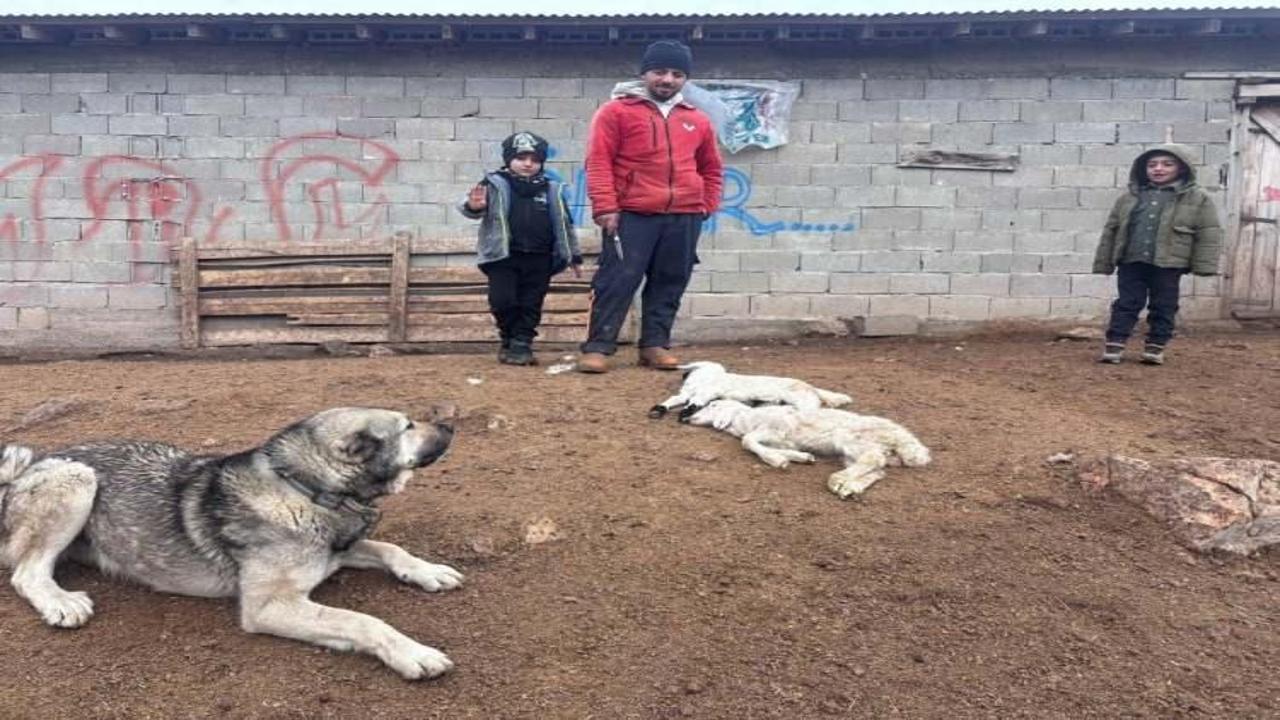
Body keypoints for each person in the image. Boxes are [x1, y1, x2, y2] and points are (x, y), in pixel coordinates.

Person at [577, 39, 725, 374]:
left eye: (677, 73)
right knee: (617, 280)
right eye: (660, 71)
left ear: (684, 79)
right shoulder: (615, 111)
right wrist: (605, 206)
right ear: (645, 73)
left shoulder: (697, 120)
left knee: (671, 280)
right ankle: (598, 347)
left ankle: (654, 345)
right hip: (632, 213)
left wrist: (707, 204)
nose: (668, 79)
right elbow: (599, 161)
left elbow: (711, 168)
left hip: (685, 214)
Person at [459, 131, 582, 366]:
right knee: (502, 301)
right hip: (502, 256)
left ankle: (521, 344)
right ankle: (508, 337)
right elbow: (471, 208)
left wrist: (572, 254)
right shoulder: (494, 183)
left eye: (534, 159)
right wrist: (474, 206)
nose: (528, 164)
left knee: (531, 303)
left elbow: (564, 223)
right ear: (509, 160)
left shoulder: (552, 188)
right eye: (521, 158)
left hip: (540, 257)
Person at [1092, 145, 1222, 366]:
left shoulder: (1198, 199)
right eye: (1152, 165)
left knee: (1164, 304)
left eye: (1167, 164)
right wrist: (1104, 261)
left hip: (1169, 263)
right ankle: (1115, 343)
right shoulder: (1129, 198)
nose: (1158, 169)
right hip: (1131, 260)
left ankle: (1155, 346)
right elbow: (1111, 230)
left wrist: (1204, 265)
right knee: (1127, 302)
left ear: (1181, 169)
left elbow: (1208, 232)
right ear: (1143, 169)